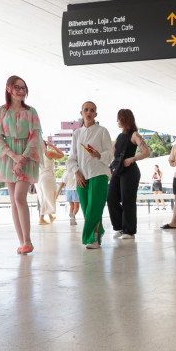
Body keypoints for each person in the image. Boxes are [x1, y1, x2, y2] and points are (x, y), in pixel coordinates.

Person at [0, 75, 42, 254]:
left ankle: (28, 240)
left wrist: (23, 158)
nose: (21, 91)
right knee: (13, 201)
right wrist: (13, 156)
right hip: (8, 157)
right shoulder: (1, 111)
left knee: (20, 198)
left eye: (24, 88)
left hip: (27, 156)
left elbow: (36, 135)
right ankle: (22, 242)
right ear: (8, 88)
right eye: (17, 87)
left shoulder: (31, 111)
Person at [66, 101, 113, 249]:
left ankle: (94, 238)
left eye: (92, 110)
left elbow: (110, 154)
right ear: (81, 113)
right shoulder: (76, 133)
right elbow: (71, 158)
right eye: (86, 110)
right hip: (82, 176)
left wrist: (98, 154)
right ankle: (98, 232)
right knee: (87, 209)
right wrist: (77, 173)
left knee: (95, 208)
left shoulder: (102, 131)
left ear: (96, 114)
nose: (89, 112)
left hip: (99, 173)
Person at [107, 109, 151, 240]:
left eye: (119, 118)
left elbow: (146, 152)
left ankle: (129, 231)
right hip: (118, 170)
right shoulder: (119, 137)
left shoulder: (135, 135)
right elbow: (111, 152)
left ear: (125, 119)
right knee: (110, 198)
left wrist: (132, 159)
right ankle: (120, 227)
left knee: (127, 200)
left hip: (130, 171)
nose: (117, 121)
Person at [36, 142, 64, 224]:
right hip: (47, 177)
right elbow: (61, 155)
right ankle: (41, 218)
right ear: (45, 145)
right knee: (48, 197)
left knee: (44, 197)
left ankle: (50, 217)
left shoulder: (36, 156)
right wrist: (52, 146)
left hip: (39, 178)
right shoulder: (48, 153)